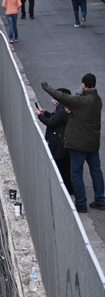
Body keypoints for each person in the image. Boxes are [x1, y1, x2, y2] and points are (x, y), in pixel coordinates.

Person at [41, 74, 104, 212]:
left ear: (83, 85)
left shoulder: (79, 102)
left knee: (76, 173)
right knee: (96, 171)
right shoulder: (97, 100)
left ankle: (81, 204)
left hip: (78, 145)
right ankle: (100, 200)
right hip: (93, 144)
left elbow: (61, 97)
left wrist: (46, 86)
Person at [36, 89, 74, 194]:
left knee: (62, 169)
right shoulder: (64, 109)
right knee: (66, 168)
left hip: (61, 147)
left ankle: (67, 190)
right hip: (66, 145)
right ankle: (69, 189)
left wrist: (40, 115)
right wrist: (46, 113)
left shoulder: (62, 111)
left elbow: (51, 122)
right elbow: (55, 119)